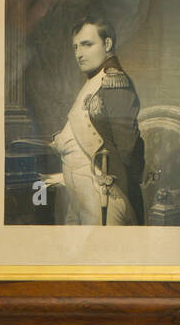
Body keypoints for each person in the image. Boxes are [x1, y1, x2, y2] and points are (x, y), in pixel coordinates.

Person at [45, 16, 145, 225]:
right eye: (75, 47)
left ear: (107, 44)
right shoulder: (93, 82)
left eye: (87, 45)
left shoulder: (113, 82)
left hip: (105, 196)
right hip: (79, 195)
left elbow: (128, 148)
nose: (79, 54)